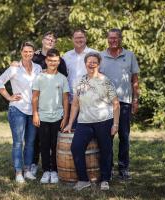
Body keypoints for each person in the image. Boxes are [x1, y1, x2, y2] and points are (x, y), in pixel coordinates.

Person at [11, 31, 68, 176]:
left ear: (55, 43)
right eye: (47, 38)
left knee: (51, 139)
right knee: (35, 138)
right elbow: (24, 63)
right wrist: (15, 63)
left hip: (53, 104)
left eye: (52, 39)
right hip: (34, 103)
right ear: (42, 40)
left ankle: (52, 167)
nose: (49, 41)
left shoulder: (58, 59)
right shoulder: (35, 56)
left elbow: (62, 82)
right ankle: (34, 164)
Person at [63, 52, 120, 191]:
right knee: (76, 147)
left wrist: (115, 124)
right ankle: (83, 180)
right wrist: (70, 123)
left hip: (104, 121)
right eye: (89, 62)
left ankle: (105, 179)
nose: (91, 64)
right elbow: (75, 104)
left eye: (94, 62)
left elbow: (116, 103)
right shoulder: (81, 81)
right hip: (84, 122)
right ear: (85, 64)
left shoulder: (105, 81)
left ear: (99, 64)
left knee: (106, 151)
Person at [0, 42, 42, 183]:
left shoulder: (38, 68)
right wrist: (9, 97)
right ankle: (18, 172)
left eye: (30, 52)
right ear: (21, 52)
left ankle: (27, 170)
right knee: (18, 143)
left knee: (31, 142)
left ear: (34, 53)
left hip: (33, 110)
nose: (28, 54)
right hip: (18, 109)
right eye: (25, 51)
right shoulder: (14, 68)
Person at [99, 28, 140, 181]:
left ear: (120, 39)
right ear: (107, 39)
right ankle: (107, 169)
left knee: (124, 136)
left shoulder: (129, 55)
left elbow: (135, 80)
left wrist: (135, 100)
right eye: (110, 38)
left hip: (124, 103)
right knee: (106, 138)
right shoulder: (101, 56)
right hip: (105, 104)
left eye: (115, 38)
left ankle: (123, 169)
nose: (112, 41)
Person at [32, 48, 69, 184]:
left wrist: (65, 117)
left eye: (55, 61)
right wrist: (35, 114)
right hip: (42, 116)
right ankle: (46, 170)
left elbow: (65, 99)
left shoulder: (63, 78)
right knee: (44, 145)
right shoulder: (39, 77)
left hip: (58, 117)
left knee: (55, 145)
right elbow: (35, 97)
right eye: (50, 61)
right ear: (46, 61)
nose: (53, 63)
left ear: (59, 62)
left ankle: (54, 171)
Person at [62, 29, 98, 128]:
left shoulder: (94, 53)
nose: (79, 40)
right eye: (76, 38)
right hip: (70, 100)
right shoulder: (66, 56)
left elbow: (101, 75)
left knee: (87, 132)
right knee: (71, 130)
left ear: (85, 38)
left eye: (81, 37)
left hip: (89, 100)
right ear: (72, 39)